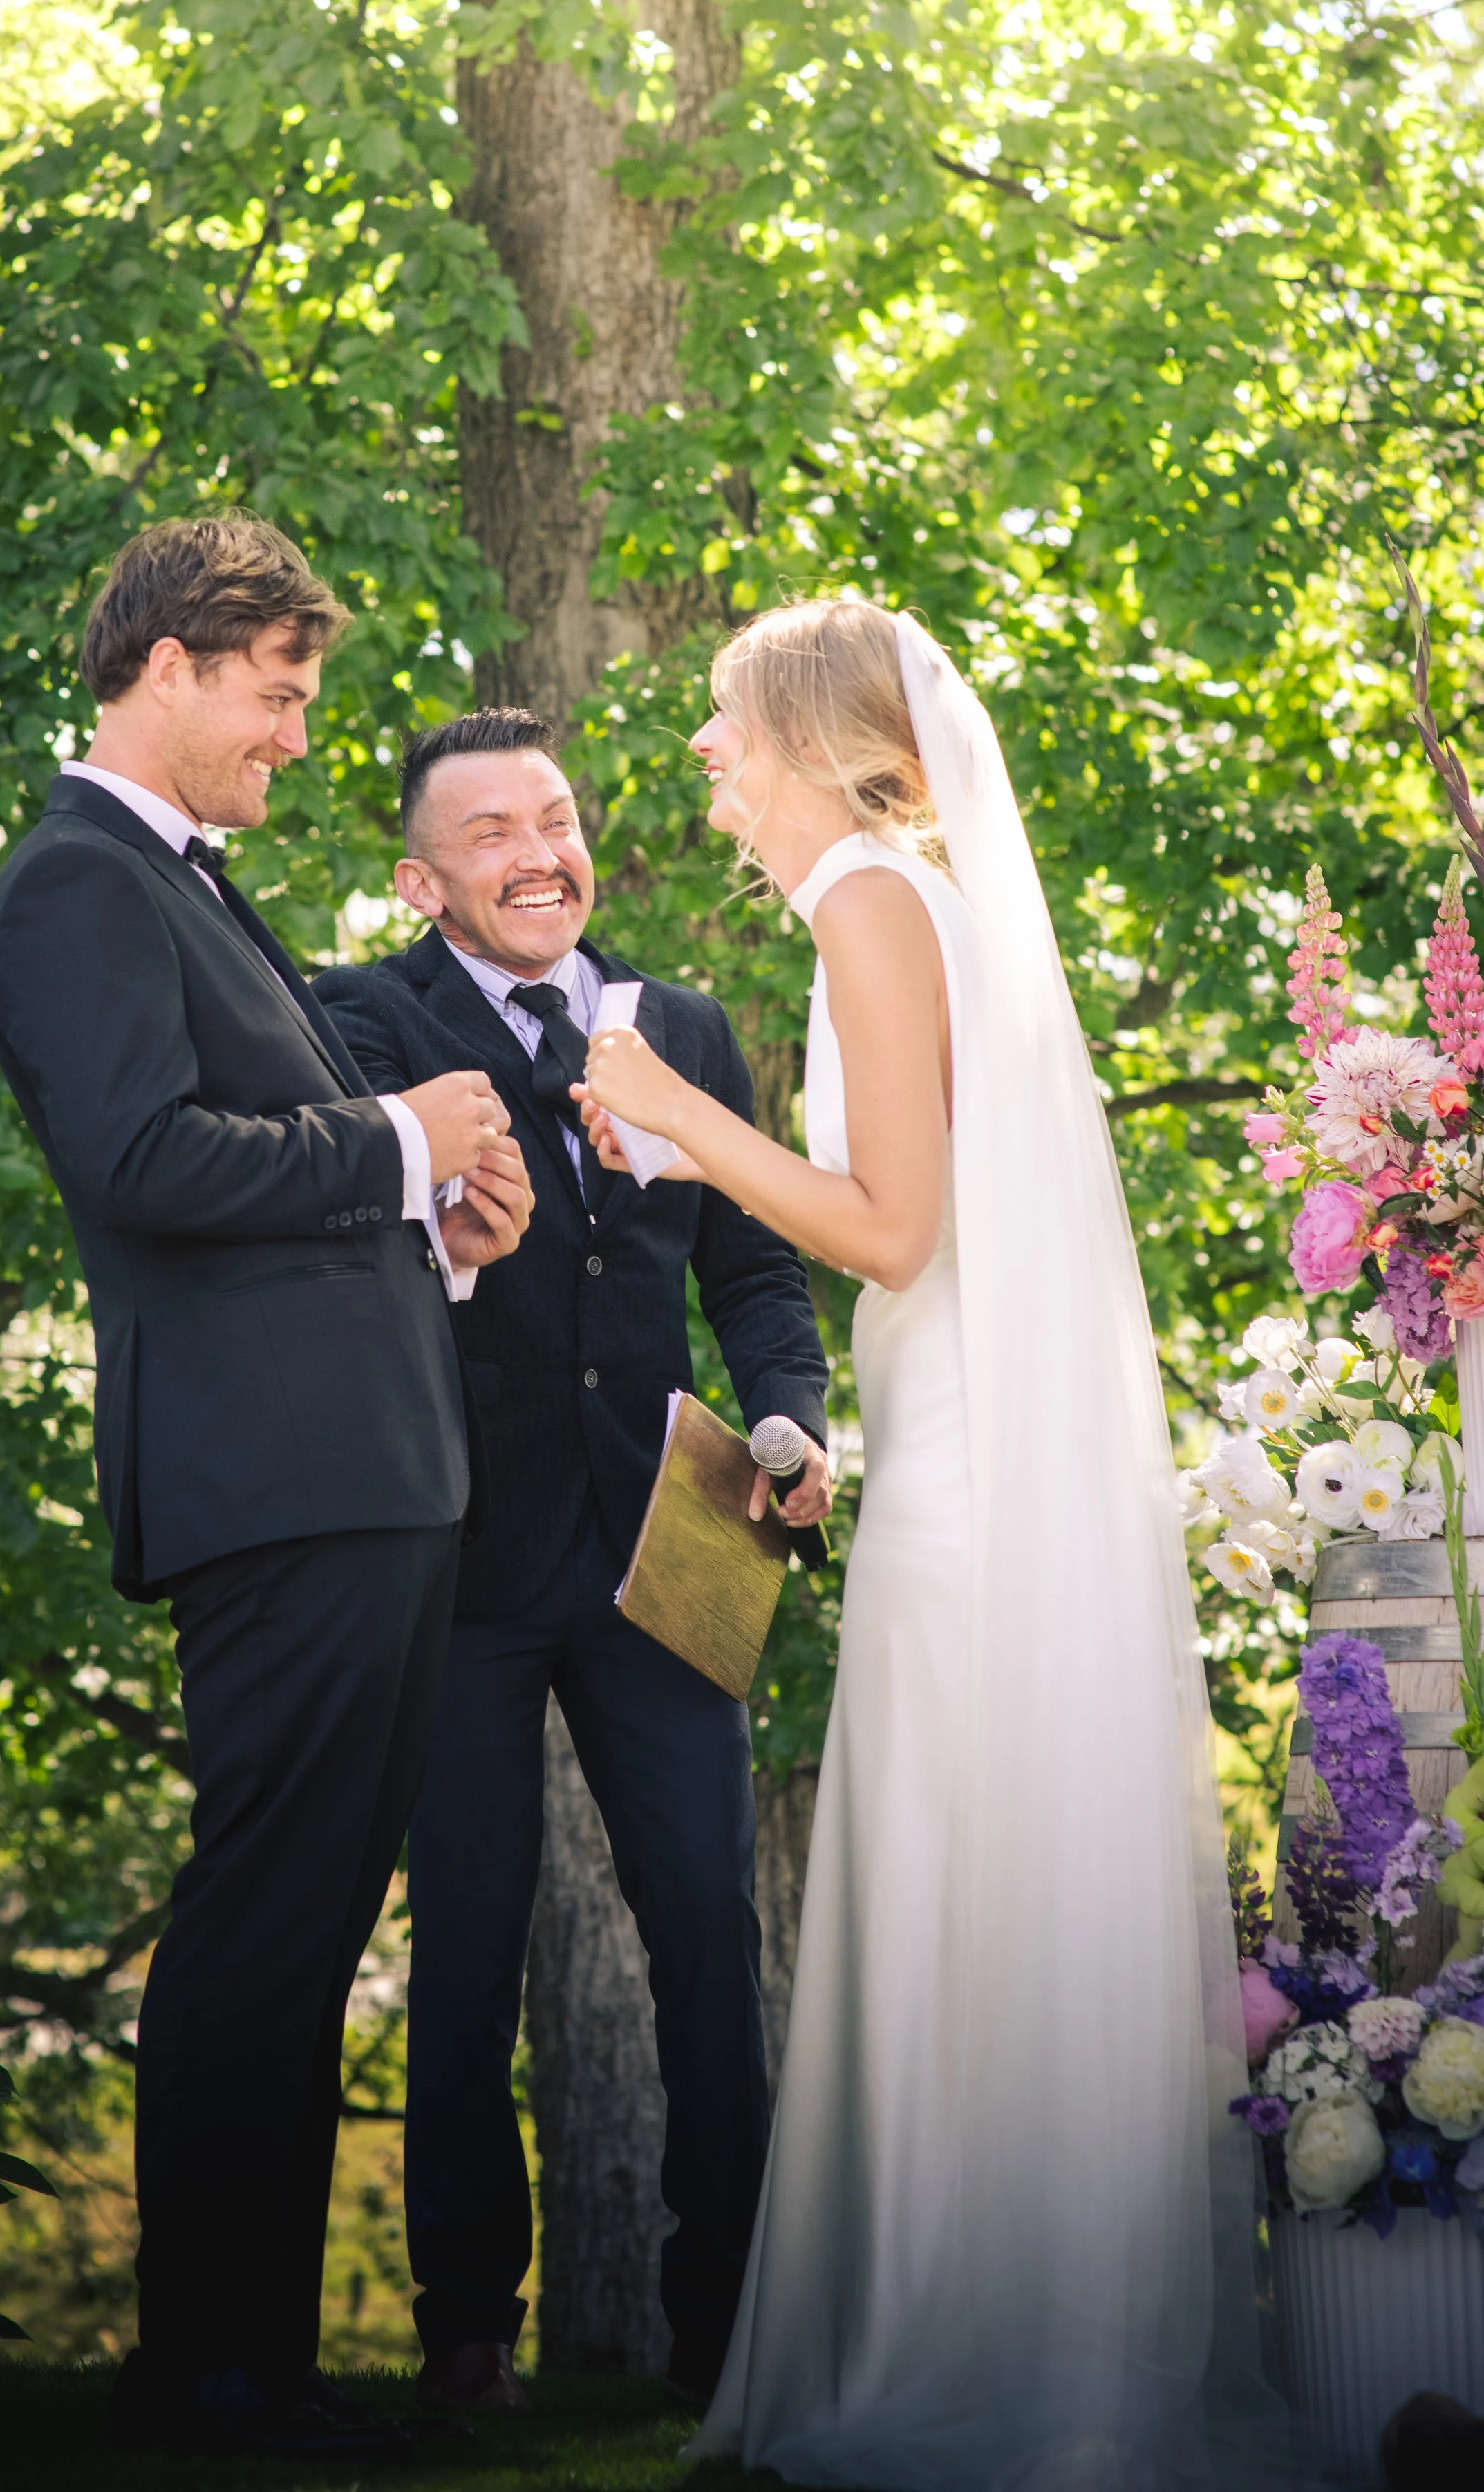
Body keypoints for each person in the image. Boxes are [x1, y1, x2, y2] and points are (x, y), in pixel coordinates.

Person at [578, 599, 1277, 2490]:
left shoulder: (875, 903)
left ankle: (971, 2354)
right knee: (967, 1864)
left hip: (963, 1466)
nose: (709, 756)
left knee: (956, 1859)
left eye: (731, 724)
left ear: (814, 737)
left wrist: (678, 1117)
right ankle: (990, 2333)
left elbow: (890, 1229)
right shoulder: (906, 900)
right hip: (956, 1427)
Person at [0, 516, 534, 2463]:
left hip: (364, 1473)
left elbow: (283, 1174)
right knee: (262, 1917)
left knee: (309, 1924)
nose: (296, 737)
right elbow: (142, 1158)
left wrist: (446, 1220)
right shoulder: (74, 885)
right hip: (277, 1485)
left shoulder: (190, 889)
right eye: (279, 695)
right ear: (172, 663)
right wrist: (393, 1134)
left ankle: (263, 2360)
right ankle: (204, 2366)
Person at [315, 708, 834, 2413]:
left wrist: (790, 1420)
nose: (540, 852)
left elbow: (756, 1276)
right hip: (455, 1552)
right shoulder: (350, 1025)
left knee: (705, 1933)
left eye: (555, 816)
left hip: (668, 1543)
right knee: (463, 1949)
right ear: (421, 878)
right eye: (491, 834)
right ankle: (466, 2332)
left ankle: (722, 2328)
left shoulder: (674, 1027)